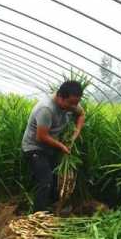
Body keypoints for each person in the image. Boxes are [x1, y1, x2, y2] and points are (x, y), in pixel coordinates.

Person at [21, 80, 85, 212]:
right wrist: (62, 146)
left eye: (76, 103)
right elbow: (41, 136)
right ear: (60, 96)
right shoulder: (46, 109)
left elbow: (81, 114)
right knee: (45, 181)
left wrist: (76, 133)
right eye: (71, 103)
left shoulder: (71, 103)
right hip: (34, 147)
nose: (74, 106)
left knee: (56, 178)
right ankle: (38, 216)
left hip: (51, 146)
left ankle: (54, 207)